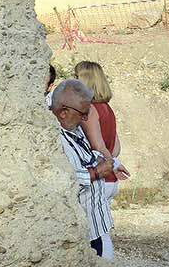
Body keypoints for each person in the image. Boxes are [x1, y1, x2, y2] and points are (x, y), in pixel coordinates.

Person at [50, 77, 126, 256]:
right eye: (82, 114)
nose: (85, 118)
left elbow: (90, 153)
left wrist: (102, 161)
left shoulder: (74, 129)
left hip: (95, 226)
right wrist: (96, 172)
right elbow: (58, 179)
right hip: (79, 232)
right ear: (63, 112)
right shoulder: (52, 139)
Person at [72, 61, 128, 259]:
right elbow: (116, 146)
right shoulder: (107, 108)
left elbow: (97, 146)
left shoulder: (90, 110)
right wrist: (115, 162)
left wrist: (109, 162)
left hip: (99, 178)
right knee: (101, 229)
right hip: (109, 178)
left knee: (96, 232)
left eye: (77, 76)